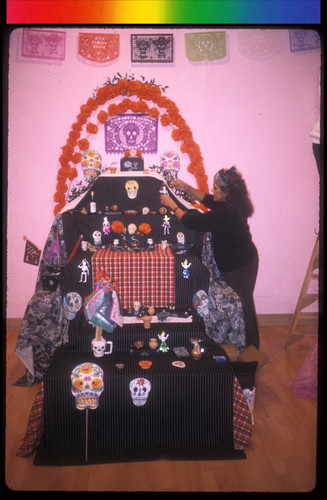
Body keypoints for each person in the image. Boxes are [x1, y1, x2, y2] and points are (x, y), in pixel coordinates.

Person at [160, 166, 260, 349]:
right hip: (242, 260)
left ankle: (251, 349)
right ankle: (240, 343)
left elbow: (192, 222)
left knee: (243, 305)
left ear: (227, 193)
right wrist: (185, 187)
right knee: (242, 303)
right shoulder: (230, 203)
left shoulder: (225, 214)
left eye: (216, 188)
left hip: (241, 264)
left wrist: (172, 205)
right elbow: (208, 200)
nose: (212, 190)